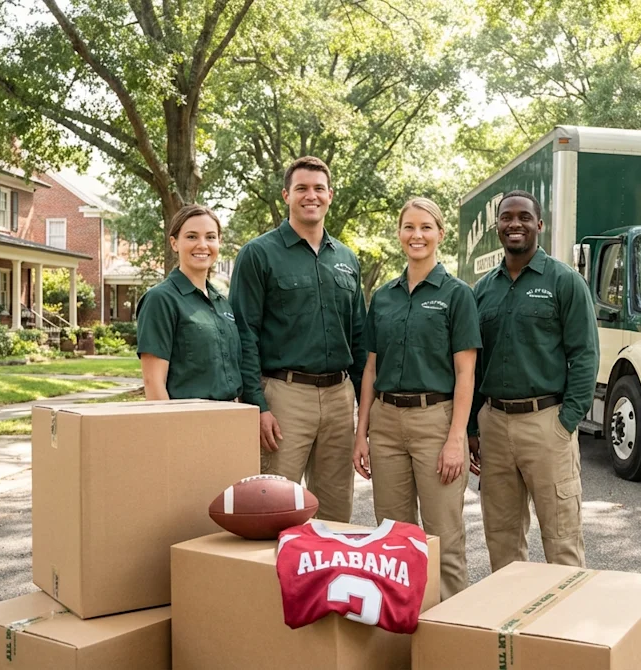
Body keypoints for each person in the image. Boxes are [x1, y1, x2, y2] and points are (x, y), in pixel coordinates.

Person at [351, 197, 480, 600]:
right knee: (392, 539)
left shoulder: (457, 295)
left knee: (444, 538)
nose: (417, 235)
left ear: (440, 234)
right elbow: (371, 368)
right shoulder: (385, 297)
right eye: (409, 227)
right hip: (386, 425)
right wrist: (362, 434)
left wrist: (456, 436)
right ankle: (398, 630)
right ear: (399, 233)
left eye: (426, 227)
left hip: (435, 422)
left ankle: (451, 634)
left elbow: (465, 373)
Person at [467, 189, 599, 571]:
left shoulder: (564, 282)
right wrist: (474, 425)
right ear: (497, 227)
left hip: (547, 423)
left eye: (524, 217)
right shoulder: (483, 290)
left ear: (539, 225)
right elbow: (474, 365)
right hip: (494, 425)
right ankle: (514, 627)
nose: (515, 224)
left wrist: (567, 421)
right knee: (502, 538)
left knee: (562, 538)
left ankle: (566, 627)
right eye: (507, 217)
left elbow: (585, 354)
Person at [231, 156, 366, 523]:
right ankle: (271, 581)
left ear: (330, 195)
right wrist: (258, 405)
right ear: (286, 195)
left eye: (319, 188)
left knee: (336, 510)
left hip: (340, 399)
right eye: (302, 188)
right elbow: (244, 333)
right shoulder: (258, 254)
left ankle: (327, 580)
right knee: (275, 504)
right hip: (284, 396)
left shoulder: (347, 259)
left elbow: (358, 337)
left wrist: (364, 412)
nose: (311, 196)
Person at [136, 204, 241, 401]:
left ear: (219, 242)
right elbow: (153, 382)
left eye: (210, 237)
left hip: (231, 418)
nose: (202, 245)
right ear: (174, 243)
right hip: (188, 421)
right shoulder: (160, 299)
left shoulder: (221, 302)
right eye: (192, 236)